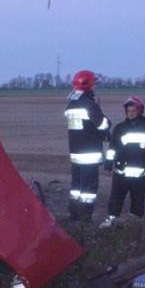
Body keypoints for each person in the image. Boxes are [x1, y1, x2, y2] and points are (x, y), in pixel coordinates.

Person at [64, 70, 111, 221]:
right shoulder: (89, 105)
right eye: (94, 83)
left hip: (75, 153)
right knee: (89, 190)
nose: (95, 86)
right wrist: (107, 124)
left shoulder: (71, 105)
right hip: (89, 153)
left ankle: (74, 216)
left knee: (76, 188)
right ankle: (85, 218)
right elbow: (102, 125)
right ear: (89, 84)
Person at [100, 96, 145, 228]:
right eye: (129, 111)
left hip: (140, 174)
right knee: (116, 199)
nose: (131, 113)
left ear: (140, 111)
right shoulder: (120, 128)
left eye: (133, 110)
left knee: (138, 201)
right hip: (121, 172)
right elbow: (112, 148)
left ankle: (135, 224)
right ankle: (111, 222)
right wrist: (108, 163)